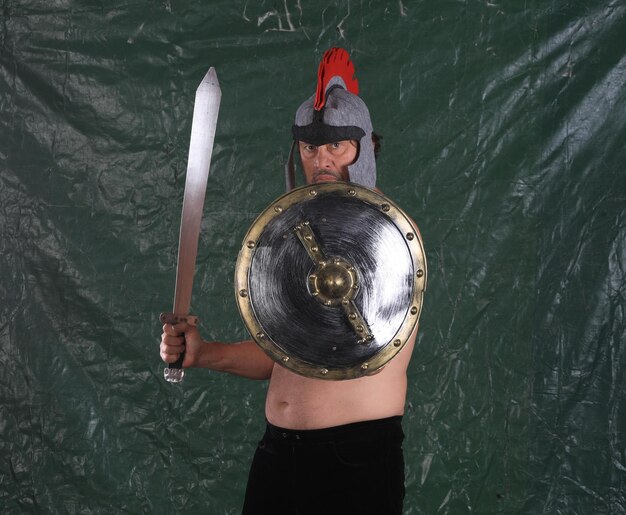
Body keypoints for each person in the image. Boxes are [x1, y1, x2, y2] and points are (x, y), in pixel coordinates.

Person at [160, 48, 420, 514]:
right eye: (309, 146)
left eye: (336, 145)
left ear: (363, 148)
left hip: (354, 464)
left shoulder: (390, 237)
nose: (320, 159)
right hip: (279, 456)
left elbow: (345, 342)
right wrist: (204, 353)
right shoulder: (299, 231)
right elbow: (287, 353)